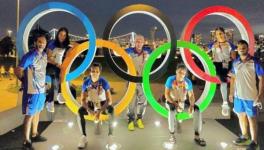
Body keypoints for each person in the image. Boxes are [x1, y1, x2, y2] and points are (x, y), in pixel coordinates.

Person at [15, 33, 48, 150]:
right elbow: (18, 70)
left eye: (43, 42)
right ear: (35, 43)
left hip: (41, 91)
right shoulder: (30, 56)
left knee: (38, 112)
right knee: (30, 115)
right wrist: (24, 81)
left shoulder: (44, 55)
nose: (41, 44)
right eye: (39, 41)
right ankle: (26, 141)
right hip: (32, 91)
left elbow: (41, 71)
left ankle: (34, 134)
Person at [229, 40, 264, 150]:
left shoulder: (255, 62)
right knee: (241, 116)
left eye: (243, 47)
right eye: (239, 48)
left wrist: (260, 94)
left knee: (252, 118)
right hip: (238, 96)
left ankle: (254, 142)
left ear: (248, 48)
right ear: (237, 49)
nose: (241, 49)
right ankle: (245, 137)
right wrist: (231, 93)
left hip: (250, 96)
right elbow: (233, 78)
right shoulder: (235, 62)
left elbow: (261, 78)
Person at [164, 64, 206, 146]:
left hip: (183, 101)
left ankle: (197, 136)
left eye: (183, 73)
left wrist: (191, 106)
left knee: (197, 110)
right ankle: (172, 135)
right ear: (176, 72)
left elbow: (191, 95)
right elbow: (166, 95)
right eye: (180, 72)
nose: (181, 75)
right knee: (172, 112)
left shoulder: (187, 82)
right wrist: (176, 105)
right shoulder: (170, 79)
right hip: (171, 101)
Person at [77, 63, 114, 149]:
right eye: (92, 71)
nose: (94, 73)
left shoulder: (104, 82)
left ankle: (110, 137)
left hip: (102, 104)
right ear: (90, 72)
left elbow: (110, 100)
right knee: (80, 111)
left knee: (111, 110)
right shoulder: (86, 82)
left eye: (96, 71)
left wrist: (99, 111)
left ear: (99, 72)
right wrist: (90, 110)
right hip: (91, 104)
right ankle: (83, 137)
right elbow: (82, 100)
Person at [126, 34, 152, 131]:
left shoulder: (147, 51)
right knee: (131, 102)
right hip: (132, 80)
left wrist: (155, 50)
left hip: (142, 81)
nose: (139, 43)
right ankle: (131, 120)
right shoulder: (129, 51)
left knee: (142, 101)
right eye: (137, 41)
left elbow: (158, 56)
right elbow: (118, 53)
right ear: (134, 42)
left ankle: (139, 118)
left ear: (143, 42)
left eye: (140, 41)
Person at [208, 27, 236, 116]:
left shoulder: (230, 44)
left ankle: (234, 100)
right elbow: (205, 53)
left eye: (220, 33)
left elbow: (234, 57)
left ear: (224, 33)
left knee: (234, 80)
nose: (219, 35)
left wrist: (234, 68)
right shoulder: (212, 44)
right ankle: (225, 103)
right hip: (217, 65)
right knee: (223, 82)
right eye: (217, 34)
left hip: (228, 64)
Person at [46, 27, 75, 112]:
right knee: (55, 74)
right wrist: (56, 64)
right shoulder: (52, 43)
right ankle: (58, 95)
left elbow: (75, 44)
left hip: (58, 67)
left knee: (57, 76)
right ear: (57, 34)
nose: (62, 36)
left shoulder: (65, 44)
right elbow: (47, 58)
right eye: (60, 34)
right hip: (49, 65)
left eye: (64, 35)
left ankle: (51, 101)